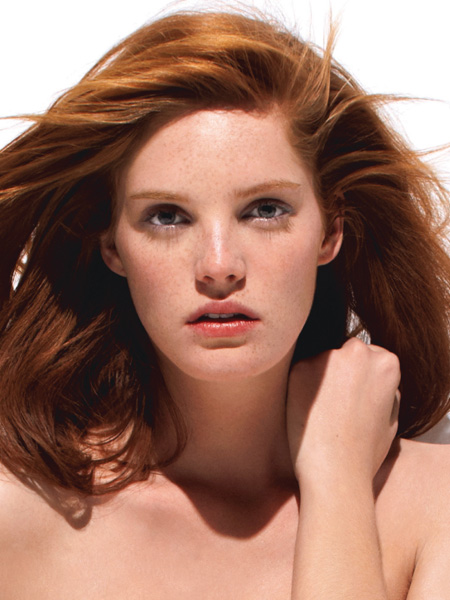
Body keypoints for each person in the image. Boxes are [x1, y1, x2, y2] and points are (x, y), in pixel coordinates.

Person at [0, 9, 449, 599]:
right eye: (167, 216)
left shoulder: (436, 504)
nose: (218, 266)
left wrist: (336, 478)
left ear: (330, 229)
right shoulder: (20, 508)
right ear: (112, 246)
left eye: (265, 209)